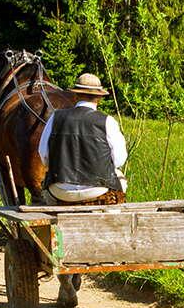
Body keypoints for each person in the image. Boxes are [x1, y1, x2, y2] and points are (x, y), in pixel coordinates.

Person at [37, 73, 130, 207]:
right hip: (97, 190)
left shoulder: (55, 118)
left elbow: (43, 154)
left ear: (75, 96)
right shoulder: (107, 121)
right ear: (99, 98)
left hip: (60, 191)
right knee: (120, 178)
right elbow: (119, 159)